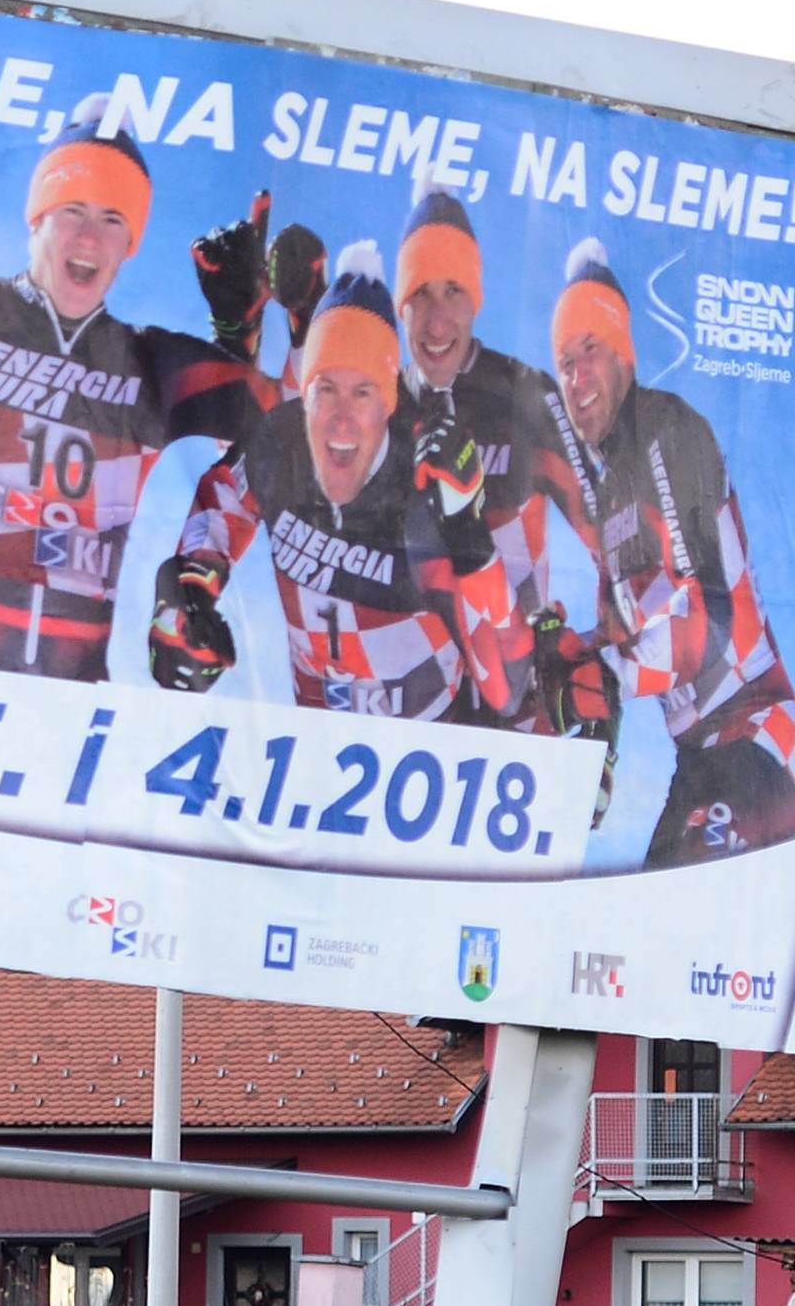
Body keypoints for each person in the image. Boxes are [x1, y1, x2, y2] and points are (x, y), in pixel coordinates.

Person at [0, 70, 315, 679]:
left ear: (131, 246)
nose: (90, 236)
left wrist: (253, 323)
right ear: (36, 220)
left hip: (73, 704)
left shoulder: (153, 367)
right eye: (72, 209)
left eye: (114, 219)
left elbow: (298, 432)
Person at [152, 243, 517, 721]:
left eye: (363, 391)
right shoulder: (280, 442)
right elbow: (225, 494)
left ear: (388, 399)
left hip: (427, 738)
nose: (342, 421)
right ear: (308, 395)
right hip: (312, 735)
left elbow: (502, 659)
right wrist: (189, 593)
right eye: (326, 388)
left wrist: (470, 536)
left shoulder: (424, 462)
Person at [548, 241, 795, 866]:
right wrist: (564, 662)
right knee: (642, 928)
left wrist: (604, 676)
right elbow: (626, 637)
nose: (577, 380)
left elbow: (705, 626)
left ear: (623, 350)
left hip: (758, 739)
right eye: (564, 364)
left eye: (590, 351)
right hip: (701, 767)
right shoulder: (608, 495)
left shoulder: (666, 432)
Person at [393, 187, 611, 770]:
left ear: (478, 300)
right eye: (420, 293)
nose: (437, 319)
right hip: (416, 700)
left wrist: (596, 698)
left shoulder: (528, 398)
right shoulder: (379, 409)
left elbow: (617, 544)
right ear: (399, 305)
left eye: (455, 291)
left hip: (514, 691)